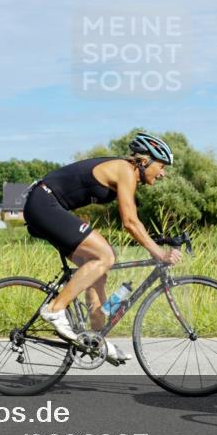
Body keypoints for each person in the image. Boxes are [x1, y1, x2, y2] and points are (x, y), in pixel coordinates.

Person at [22, 133, 182, 362]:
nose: (163, 172)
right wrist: (158, 253)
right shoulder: (125, 169)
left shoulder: (127, 173)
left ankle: (96, 339)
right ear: (146, 161)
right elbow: (130, 222)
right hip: (43, 204)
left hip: (46, 206)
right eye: (162, 165)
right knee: (105, 255)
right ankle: (55, 309)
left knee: (98, 272)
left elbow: (134, 220)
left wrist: (159, 240)